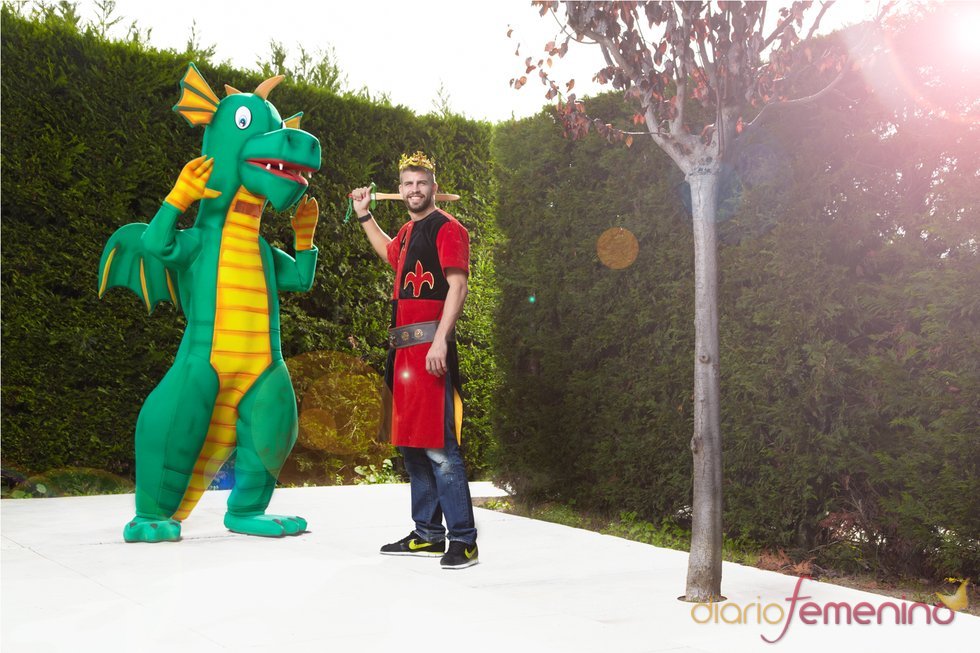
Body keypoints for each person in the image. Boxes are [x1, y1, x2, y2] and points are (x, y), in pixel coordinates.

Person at [350, 151, 478, 569]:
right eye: (407, 183)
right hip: (402, 352)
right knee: (411, 445)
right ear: (400, 188)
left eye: (421, 182)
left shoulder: (449, 229)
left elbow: (456, 288)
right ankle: (427, 534)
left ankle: (464, 540)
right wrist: (364, 215)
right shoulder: (405, 233)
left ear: (434, 187)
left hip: (430, 351)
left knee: (441, 448)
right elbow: (389, 252)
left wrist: (441, 340)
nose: (414, 190)